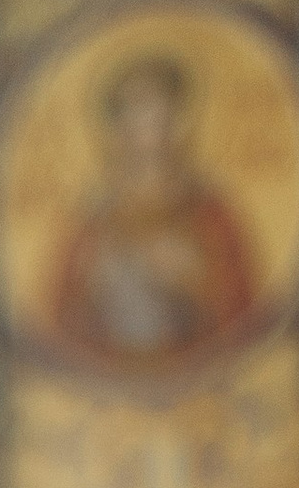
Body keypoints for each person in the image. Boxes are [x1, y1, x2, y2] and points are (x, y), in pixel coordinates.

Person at [45, 58, 259, 375]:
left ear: (178, 117)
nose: (149, 122)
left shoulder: (209, 209)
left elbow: (245, 312)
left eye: (159, 107)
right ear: (116, 125)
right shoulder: (94, 218)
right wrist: (96, 285)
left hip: (198, 377)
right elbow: (60, 320)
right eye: (135, 109)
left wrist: (193, 278)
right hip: (115, 383)